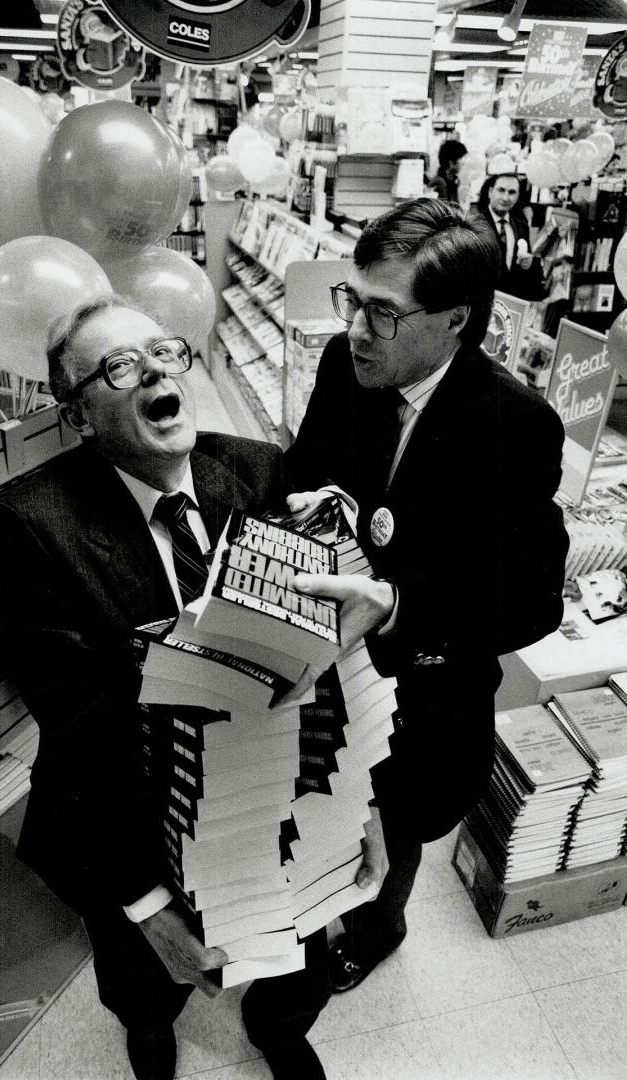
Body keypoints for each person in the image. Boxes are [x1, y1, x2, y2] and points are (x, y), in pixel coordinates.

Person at [0, 296, 330, 1080]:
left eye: (163, 353)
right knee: (145, 985)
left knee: (286, 957)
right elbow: (83, 733)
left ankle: (277, 1029)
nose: (153, 375)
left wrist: (355, 804)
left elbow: (313, 661)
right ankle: (149, 1036)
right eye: (118, 367)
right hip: (131, 825)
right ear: (77, 416)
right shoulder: (33, 526)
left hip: (266, 801)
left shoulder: (257, 468)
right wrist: (144, 905)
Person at [282, 197, 569, 993]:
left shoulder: (517, 423)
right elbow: (308, 466)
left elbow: (531, 600)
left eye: (382, 312)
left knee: (398, 822)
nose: (354, 329)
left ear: (454, 321)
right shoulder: (348, 366)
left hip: (428, 696)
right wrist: (305, 506)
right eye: (353, 300)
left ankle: (381, 925)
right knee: (323, 804)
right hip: (330, 668)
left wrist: (401, 603)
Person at [478, 171, 546, 300]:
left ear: (518, 196)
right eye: (501, 190)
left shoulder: (521, 226)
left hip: (510, 305)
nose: (505, 198)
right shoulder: (475, 223)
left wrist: (528, 263)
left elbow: (524, 268)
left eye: (512, 192)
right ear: (490, 192)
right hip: (482, 302)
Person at [428, 138, 467, 203]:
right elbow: (446, 210)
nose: (463, 162)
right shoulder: (440, 183)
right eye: (461, 158)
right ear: (451, 162)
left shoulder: (453, 180)